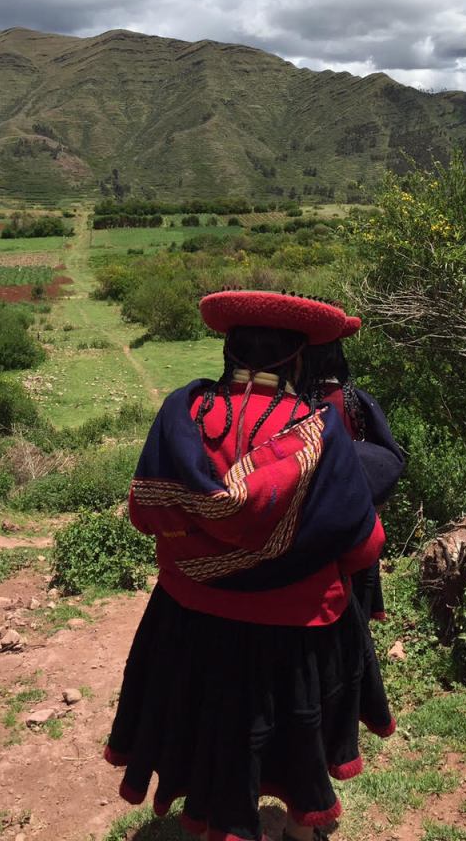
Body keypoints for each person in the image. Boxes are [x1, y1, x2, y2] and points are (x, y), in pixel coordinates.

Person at [105, 290, 400, 841]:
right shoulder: (317, 430)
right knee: (293, 731)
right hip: (293, 632)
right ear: (295, 360)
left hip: (190, 616)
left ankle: (202, 819)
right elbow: (362, 546)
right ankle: (296, 824)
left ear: (228, 352)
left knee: (200, 718)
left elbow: (145, 516)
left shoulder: (183, 415)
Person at [300, 333, 404, 621]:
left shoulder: (298, 402)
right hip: (356, 514)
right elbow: (386, 462)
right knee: (356, 594)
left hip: (309, 519)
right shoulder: (356, 400)